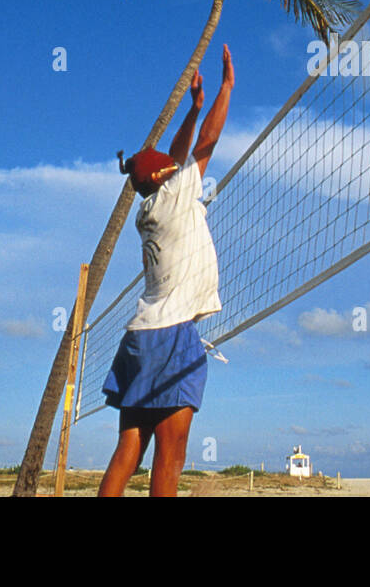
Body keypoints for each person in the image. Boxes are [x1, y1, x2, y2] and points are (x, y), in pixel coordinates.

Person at [97, 45, 234, 497]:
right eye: (165, 166)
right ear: (161, 178)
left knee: (127, 452)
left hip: (140, 336)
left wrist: (192, 109)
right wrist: (224, 91)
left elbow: (178, 153)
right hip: (171, 335)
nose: (172, 163)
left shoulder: (151, 206)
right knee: (169, 460)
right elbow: (206, 144)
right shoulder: (175, 198)